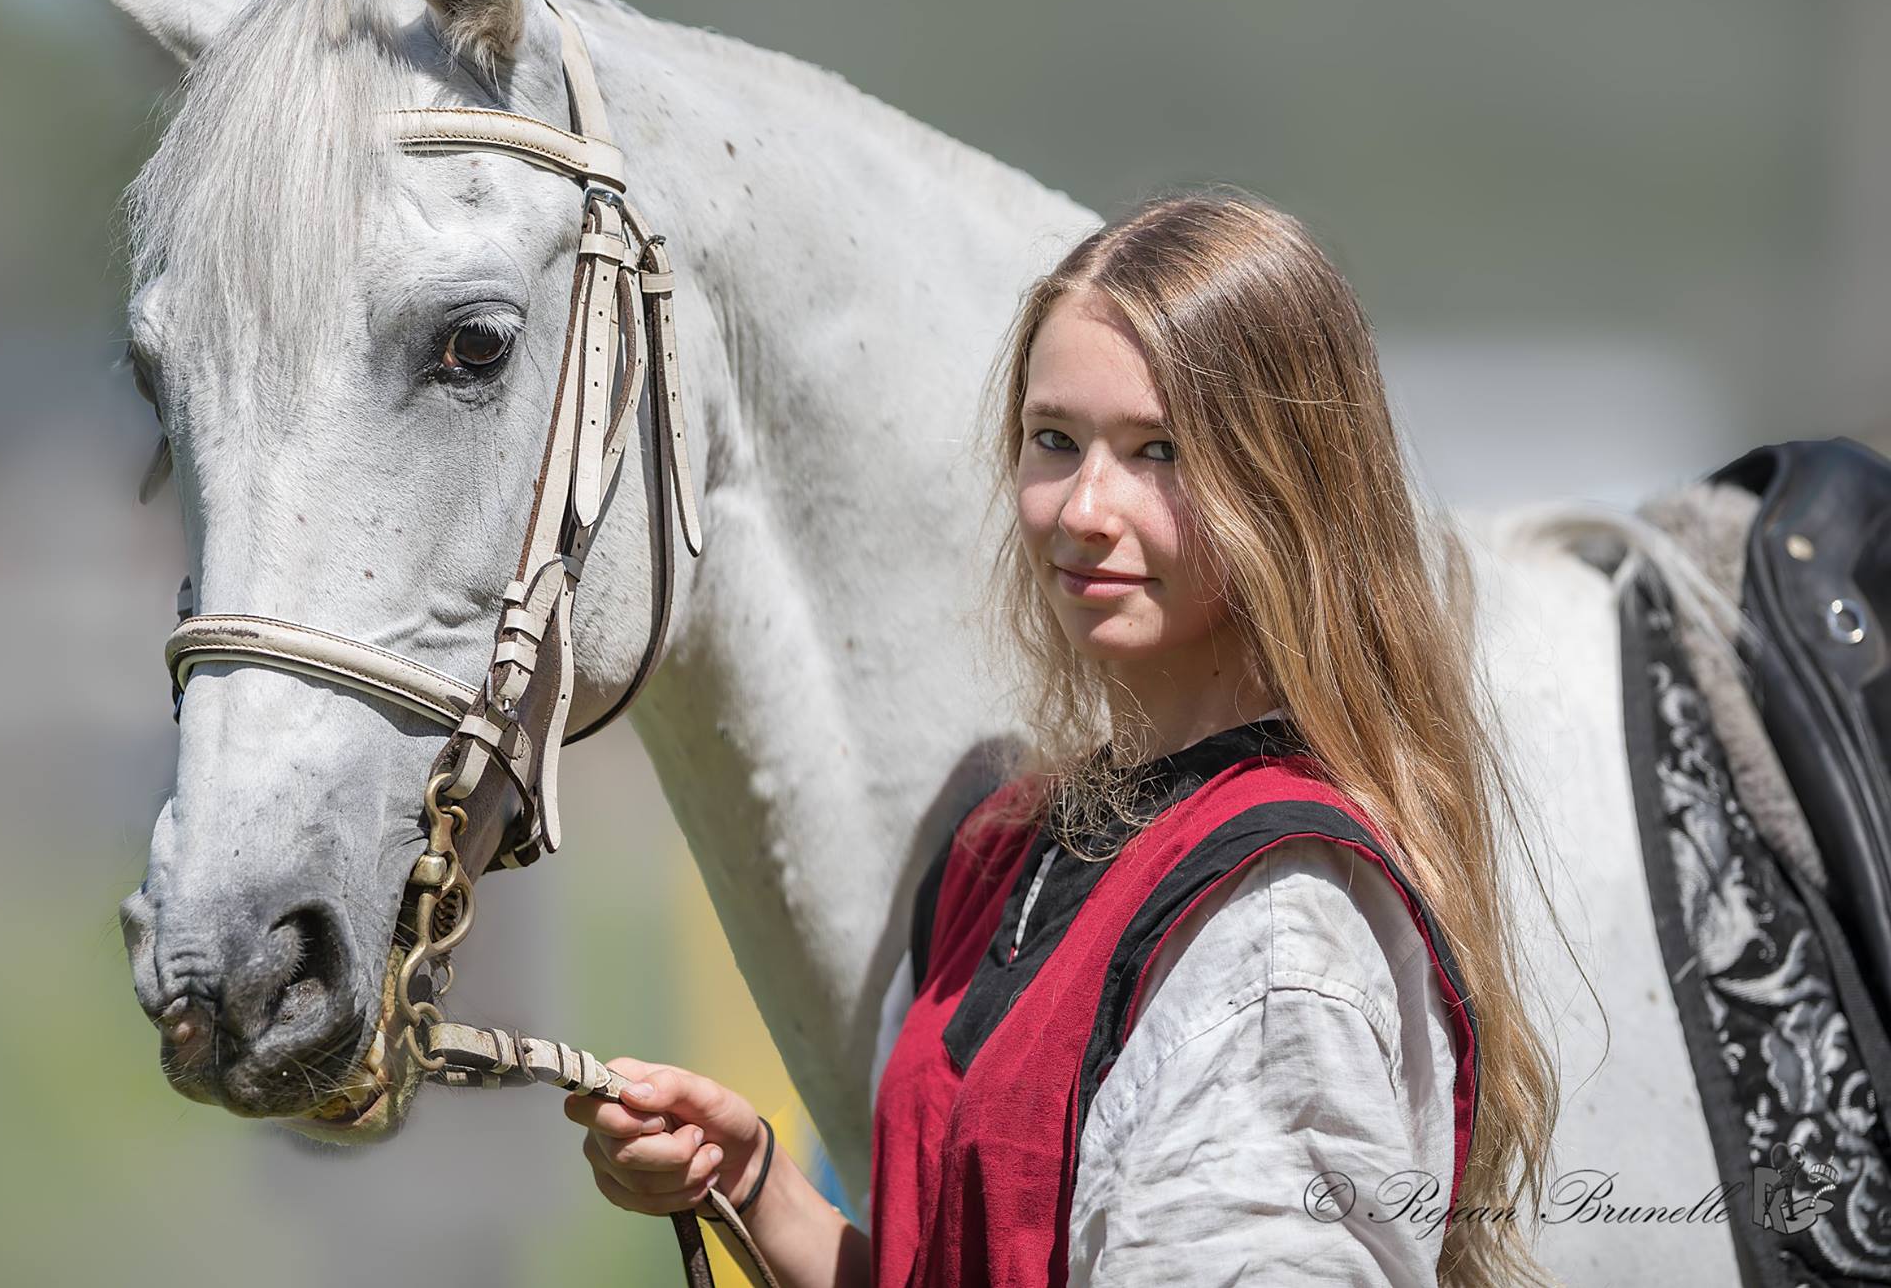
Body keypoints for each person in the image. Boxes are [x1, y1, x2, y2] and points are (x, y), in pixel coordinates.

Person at [562, 192, 1561, 1287]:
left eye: (1158, 451)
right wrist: (754, 1186)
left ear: (1289, 489)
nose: (1082, 505)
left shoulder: (1277, 922)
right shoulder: (1006, 848)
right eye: (1054, 441)